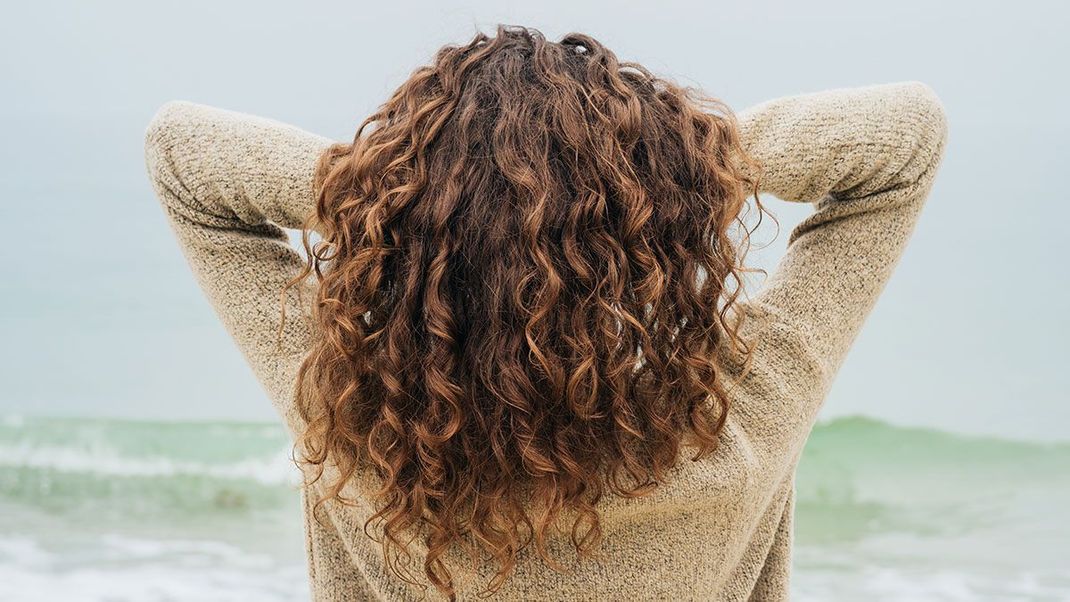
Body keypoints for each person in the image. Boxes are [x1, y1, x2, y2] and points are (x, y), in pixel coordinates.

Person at [143, 24, 948, 602]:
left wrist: (400, 196)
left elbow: (182, 157)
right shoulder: (733, 434)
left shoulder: (356, 428)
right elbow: (906, 137)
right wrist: (663, 174)